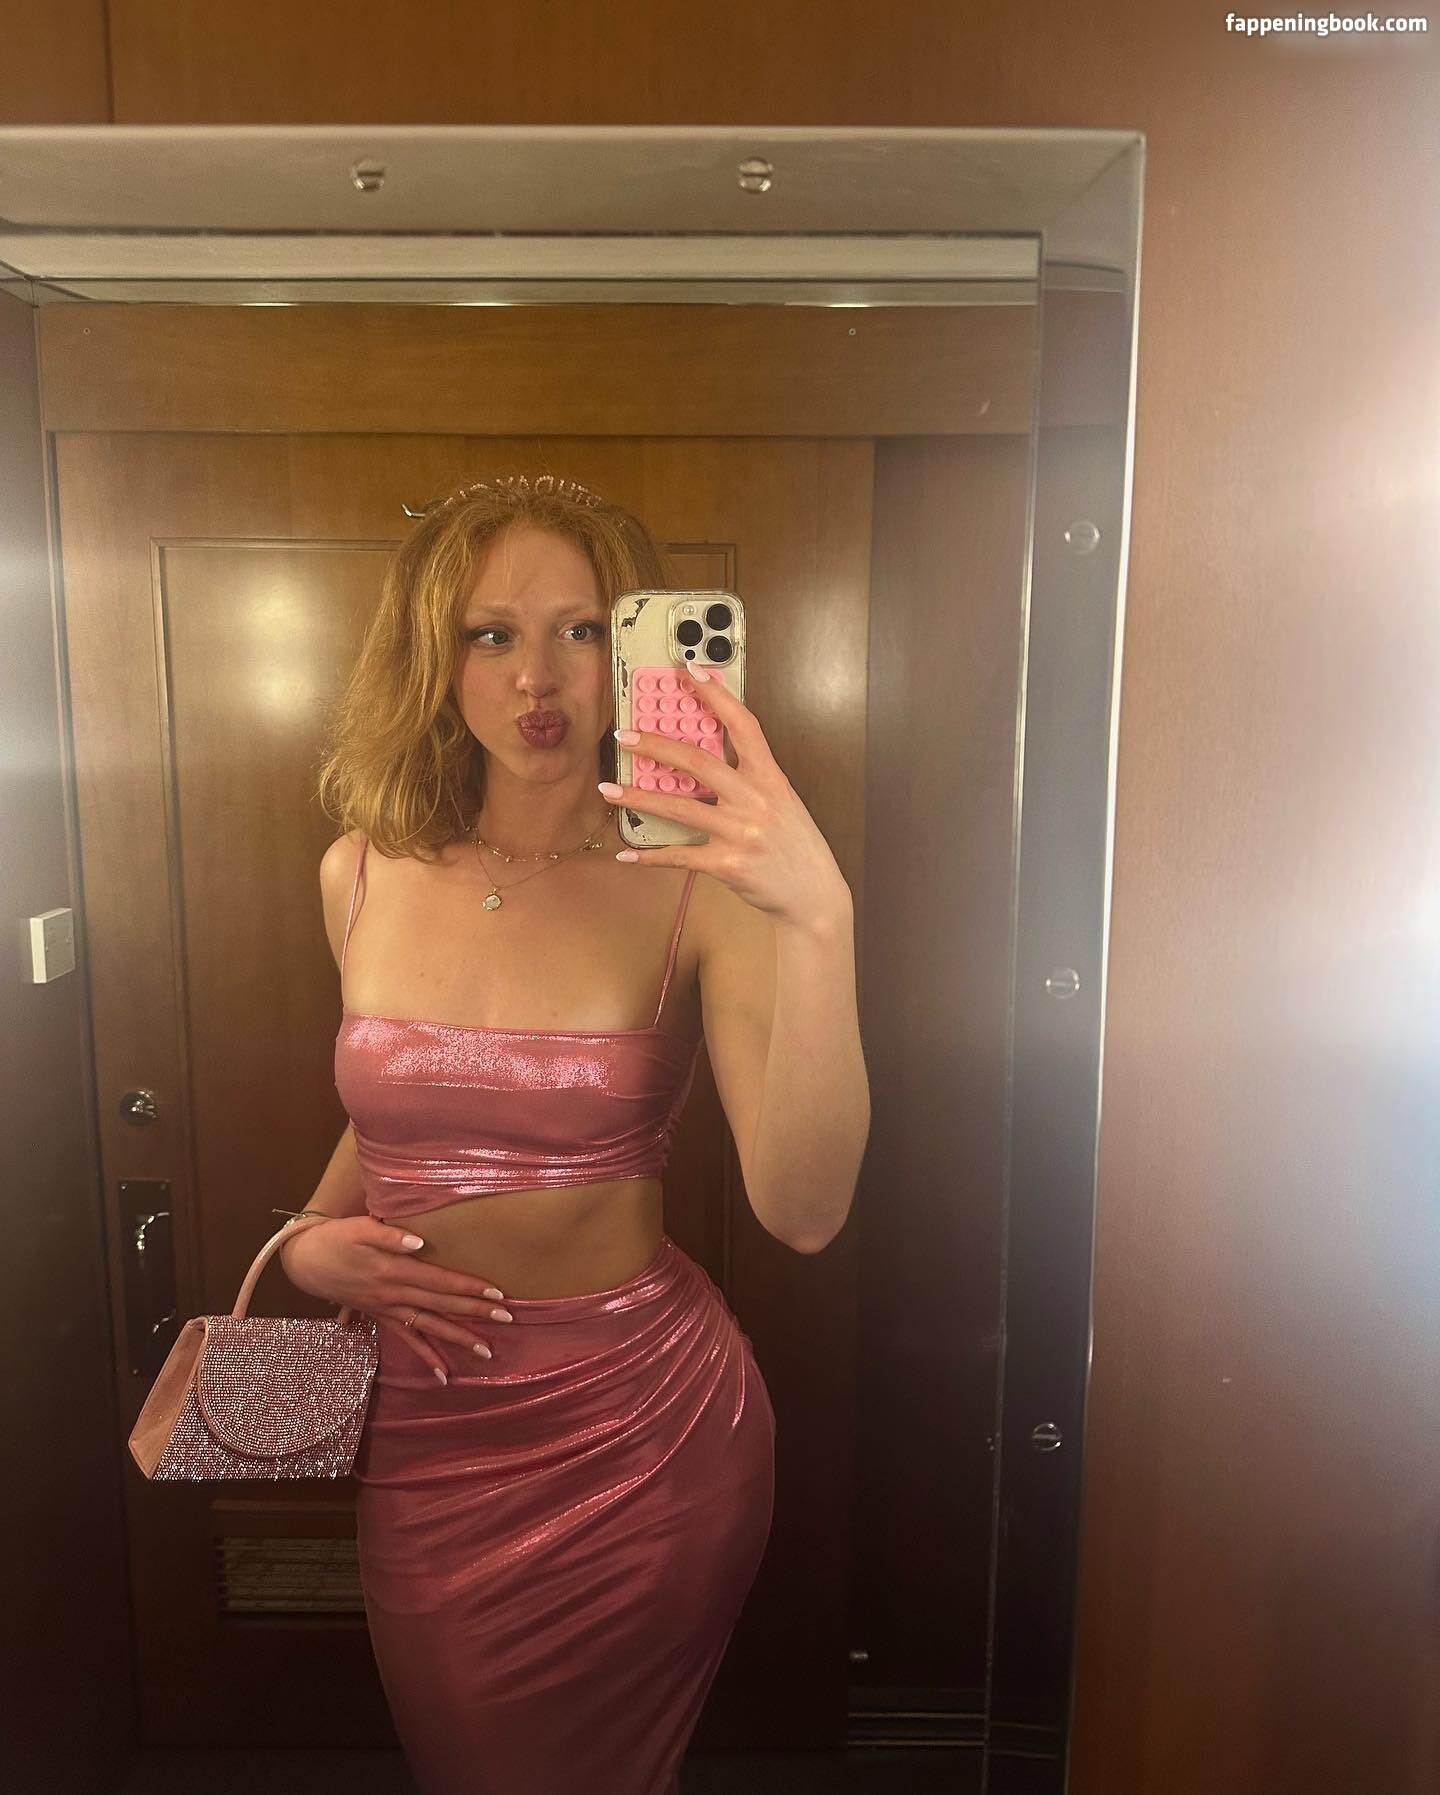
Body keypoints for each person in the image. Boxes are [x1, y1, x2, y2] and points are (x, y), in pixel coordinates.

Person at [279, 472, 870, 1795]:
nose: (536, 678)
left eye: (583, 630)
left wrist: (818, 917)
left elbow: (805, 1209)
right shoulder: (357, 873)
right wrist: (309, 1247)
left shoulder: (700, 893)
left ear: (638, 650)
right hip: (428, 1433)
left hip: (643, 1427)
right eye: (490, 634)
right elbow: (388, 1123)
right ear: (434, 660)